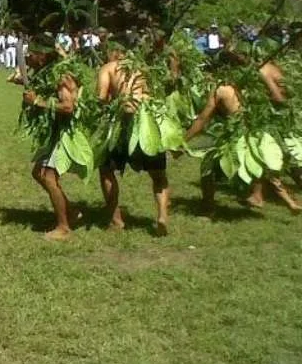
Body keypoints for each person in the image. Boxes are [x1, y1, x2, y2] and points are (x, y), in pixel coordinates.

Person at [185, 47, 301, 214]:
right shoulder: (251, 82)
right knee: (264, 169)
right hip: (255, 129)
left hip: (237, 132)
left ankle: (208, 207)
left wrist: (185, 139)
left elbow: (203, 119)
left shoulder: (221, 89)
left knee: (208, 168)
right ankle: (289, 202)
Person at [96, 40, 171, 236]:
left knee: (105, 170)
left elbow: (102, 97)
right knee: (158, 175)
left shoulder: (109, 68)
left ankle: (116, 219)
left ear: (115, 51)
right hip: (148, 121)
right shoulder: (145, 68)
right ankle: (162, 215)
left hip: (123, 120)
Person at [20, 48, 83, 240]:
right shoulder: (49, 72)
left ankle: (63, 227)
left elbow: (68, 106)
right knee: (38, 174)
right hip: (54, 132)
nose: (29, 56)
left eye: (33, 52)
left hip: (64, 133)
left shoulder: (61, 76)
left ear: (44, 54)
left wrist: (38, 101)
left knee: (48, 177)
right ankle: (71, 211)